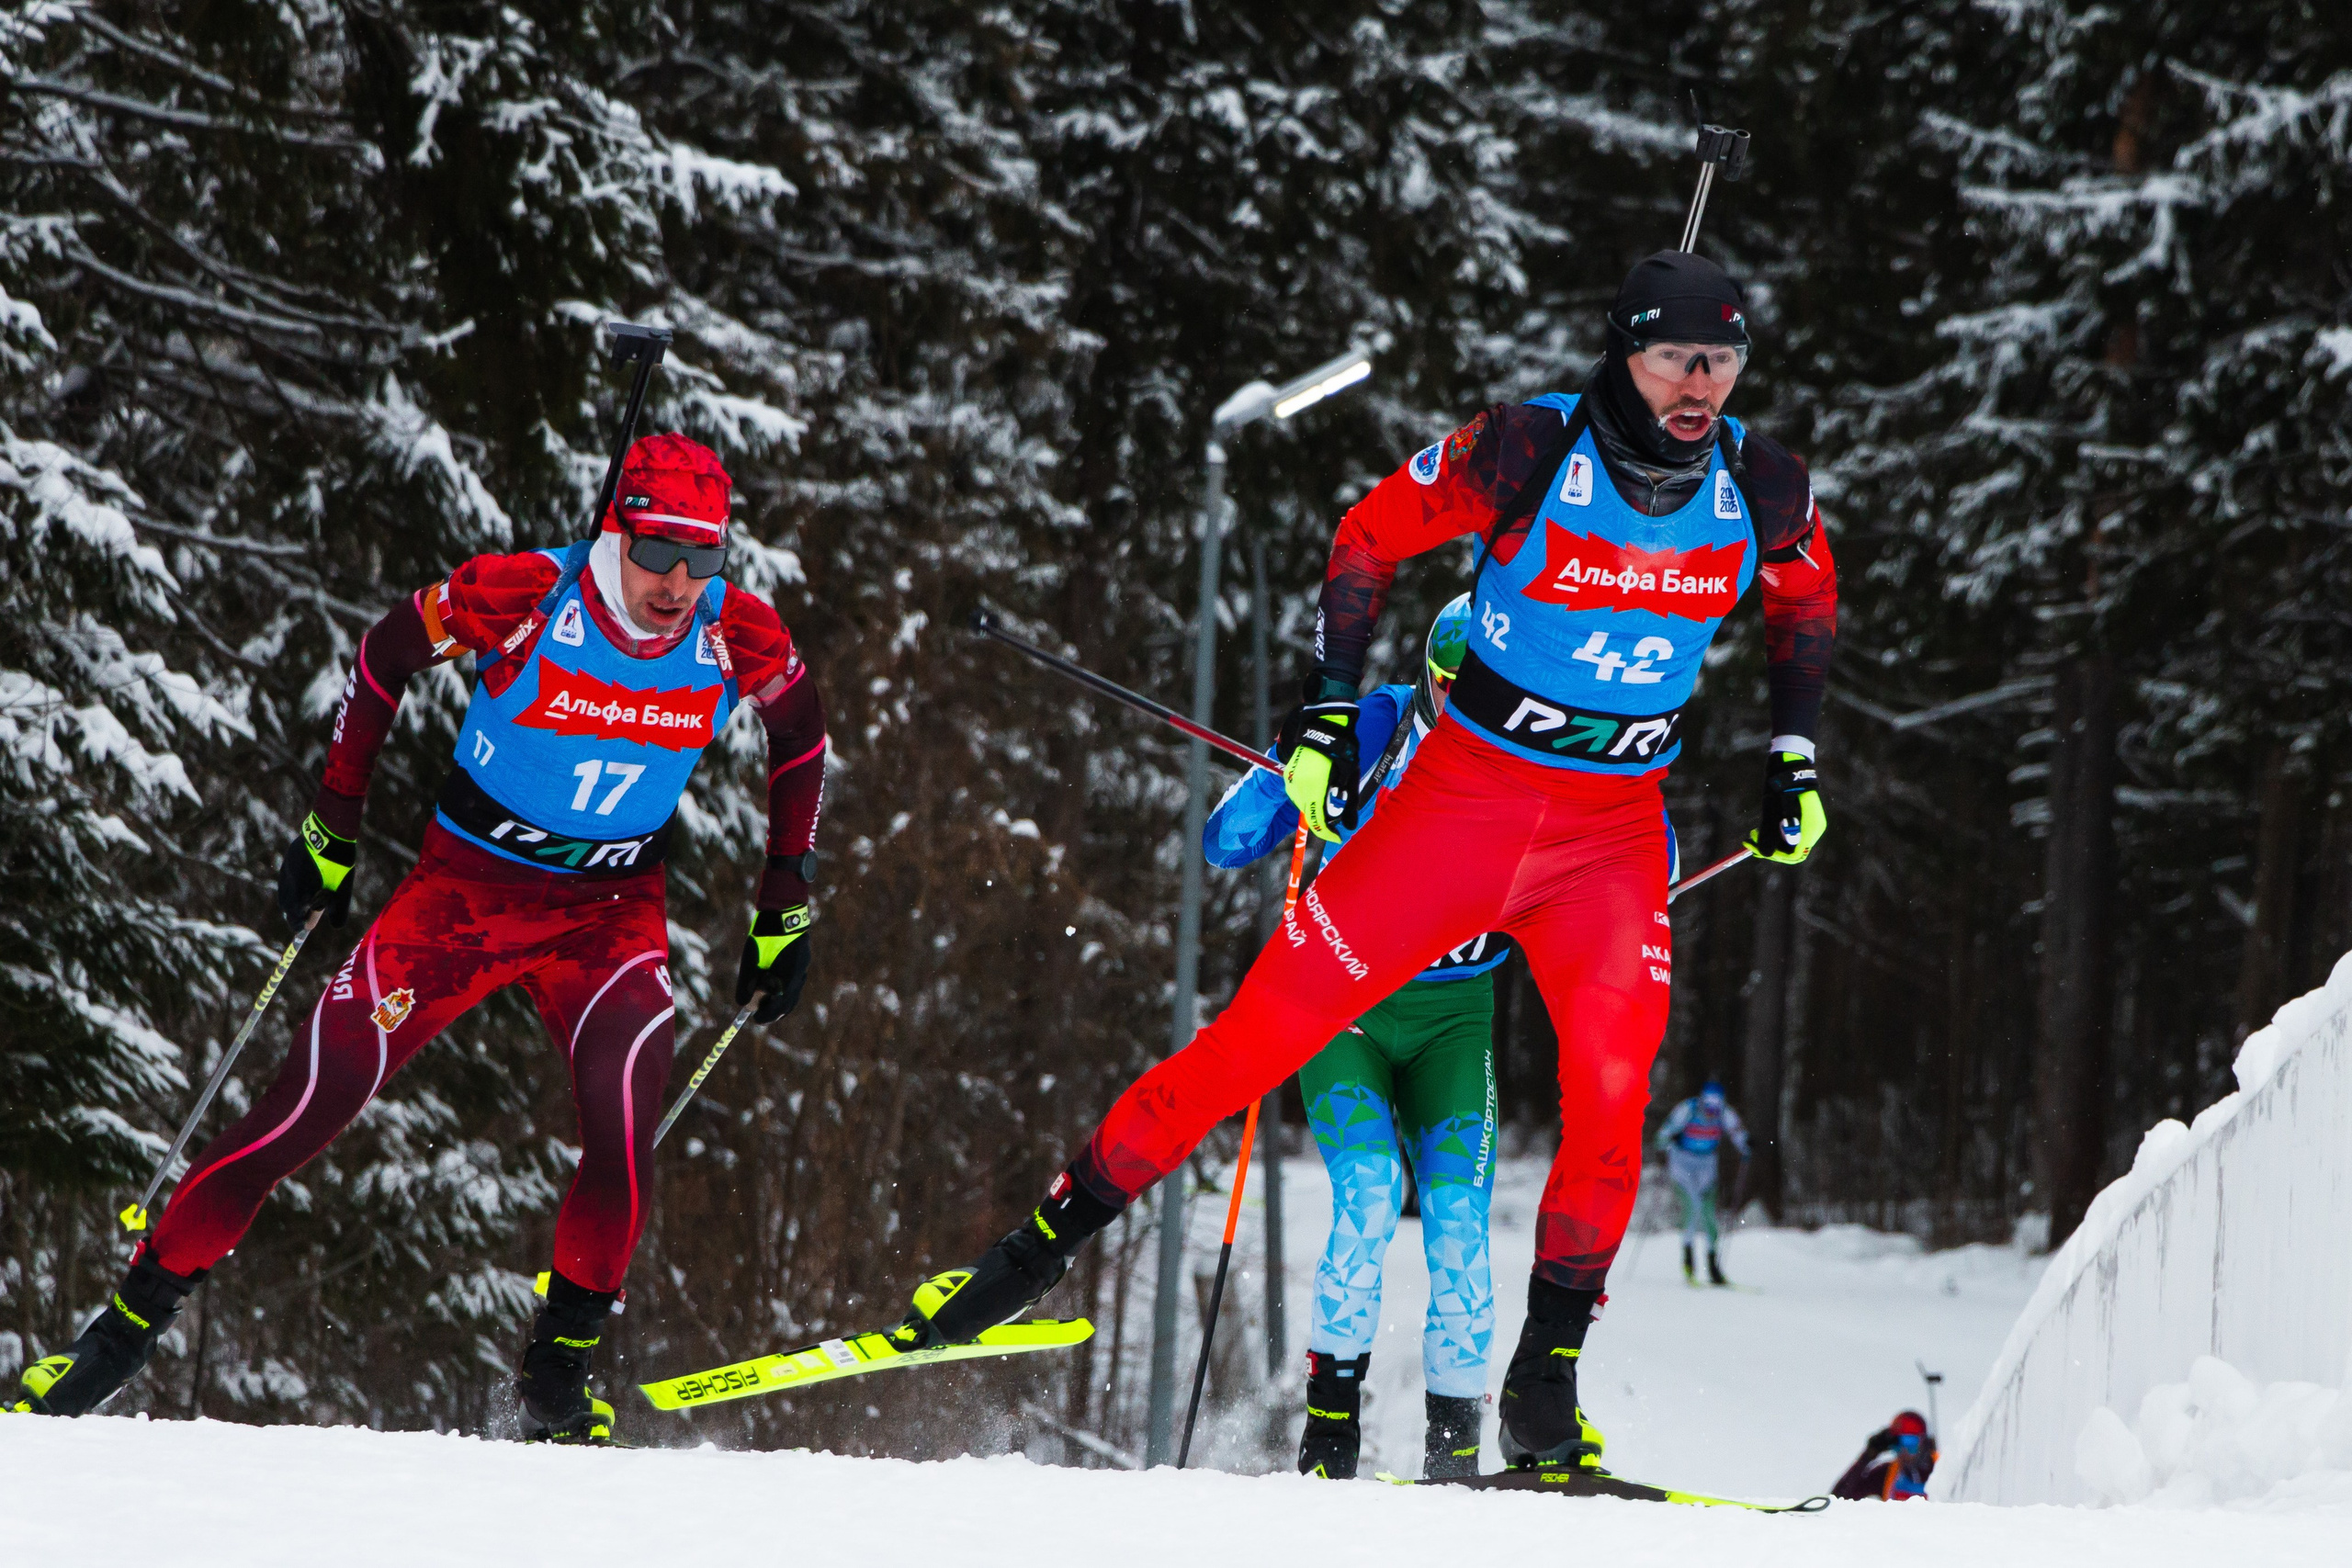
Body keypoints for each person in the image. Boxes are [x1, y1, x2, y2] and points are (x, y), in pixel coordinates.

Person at [890, 250, 1837, 1477]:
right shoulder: (1526, 448)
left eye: (1721, 361)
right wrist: (1331, 712)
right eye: (1674, 358)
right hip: (1462, 807)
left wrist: (1793, 755)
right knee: (1252, 1042)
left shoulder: (1762, 482)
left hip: (1606, 834)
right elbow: (1369, 534)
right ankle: (1025, 1259)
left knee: (1613, 1094)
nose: (1699, 383)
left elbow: (1805, 601)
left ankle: (1542, 1389)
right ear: (1625, 352)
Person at [13, 434, 828, 1444]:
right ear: (617, 533)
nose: (678, 583)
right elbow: (382, 657)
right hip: (461, 901)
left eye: (702, 558)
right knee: (304, 1108)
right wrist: (333, 826)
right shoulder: (526, 594)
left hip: (608, 915)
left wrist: (783, 899)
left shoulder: (735, 632)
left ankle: (557, 1379)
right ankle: (116, 1338)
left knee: (623, 1133)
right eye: (659, 552)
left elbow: (802, 734)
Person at [1205, 598, 1507, 1480]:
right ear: (1430, 681)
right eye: (1451, 688)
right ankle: (1330, 1440)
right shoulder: (1378, 727)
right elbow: (1226, 841)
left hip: (1455, 1020)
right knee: (1371, 1195)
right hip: (1348, 1005)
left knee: (1458, 1225)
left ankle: (1454, 1455)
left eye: (1485, 694)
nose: (1464, 710)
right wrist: (1296, 766)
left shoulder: (1536, 760)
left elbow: (1653, 850)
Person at [1656, 1079, 1749, 1286]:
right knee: (1692, 1207)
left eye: (1716, 1108)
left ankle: (1713, 1268)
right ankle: (1689, 1261)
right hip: (1682, 1163)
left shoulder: (1724, 1112)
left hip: (1706, 1164)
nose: (1711, 1113)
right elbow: (1664, 1133)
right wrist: (1668, 1139)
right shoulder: (1687, 1109)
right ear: (1702, 1101)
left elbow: (1738, 1133)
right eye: (1709, 1107)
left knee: (1708, 1213)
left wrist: (1746, 1144)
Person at [1832, 1410, 1937, 1500]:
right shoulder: (1887, 1474)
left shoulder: (1942, 1468)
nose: (1904, 1451)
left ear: (1924, 1442)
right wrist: (1867, 1456)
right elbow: (1837, 1500)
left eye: (1910, 1442)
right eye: (1898, 1445)